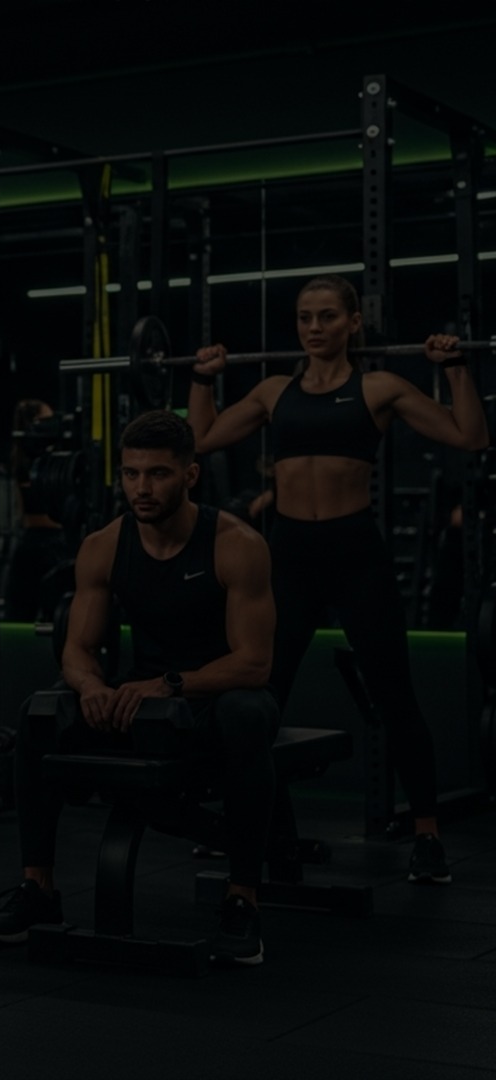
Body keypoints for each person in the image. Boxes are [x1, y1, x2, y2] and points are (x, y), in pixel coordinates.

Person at [187, 275, 481, 883]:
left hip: (355, 554)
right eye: (304, 318)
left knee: (395, 694)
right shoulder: (273, 392)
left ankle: (426, 836)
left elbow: (469, 436)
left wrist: (454, 369)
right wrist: (202, 380)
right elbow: (202, 439)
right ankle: (249, 822)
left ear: (353, 323)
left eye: (326, 317)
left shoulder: (379, 388)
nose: (314, 328)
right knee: (260, 693)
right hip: (287, 557)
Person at [0, 410, 280, 964]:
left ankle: (243, 899)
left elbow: (255, 664)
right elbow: (77, 648)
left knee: (248, 713)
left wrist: (169, 684)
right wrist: (91, 687)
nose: (142, 487)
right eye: (132, 474)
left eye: (158, 474)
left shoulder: (237, 544)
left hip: (212, 701)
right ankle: (38, 890)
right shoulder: (104, 545)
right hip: (142, 703)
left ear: (189, 476)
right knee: (39, 712)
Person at [4, 398, 68, 622]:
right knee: (20, 613)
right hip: (38, 542)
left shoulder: (54, 458)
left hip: (48, 539)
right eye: (46, 421)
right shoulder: (27, 460)